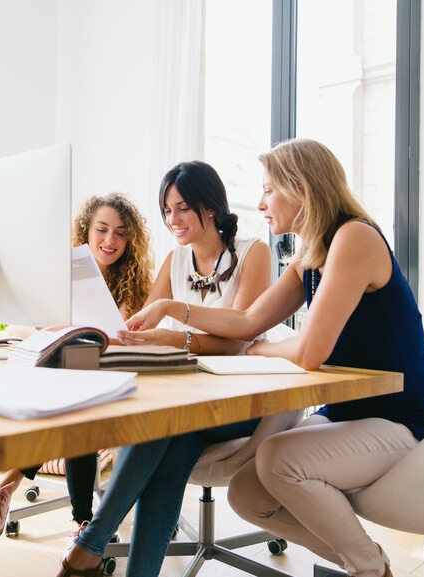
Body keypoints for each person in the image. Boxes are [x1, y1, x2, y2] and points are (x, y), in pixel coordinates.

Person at [122, 139, 424, 577]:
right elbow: (246, 320)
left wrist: (261, 349)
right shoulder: (310, 255)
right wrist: (169, 309)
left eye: (268, 189)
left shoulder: (354, 237)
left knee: (278, 460)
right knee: (248, 493)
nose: (260, 203)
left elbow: (309, 352)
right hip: (350, 413)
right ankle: (369, 560)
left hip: (408, 416)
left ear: (302, 188)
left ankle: (367, 569)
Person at [57, 160, 271, 577]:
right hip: (193, 401)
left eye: (182, 208)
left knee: (163, 426)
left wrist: (173, 331)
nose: (173, 219)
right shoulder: (177, 259)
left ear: (210, 206)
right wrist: (105, 330)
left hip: (243, 398)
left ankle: (91, 542)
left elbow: (237, 340)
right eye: (167, 210)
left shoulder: (252, 252)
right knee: (167, 435)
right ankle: (112, 556)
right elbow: (140, 325)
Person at [0, 192, 154, 543]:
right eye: (102, 230)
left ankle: (7, 486)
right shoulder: (59, 275)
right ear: (86, 230)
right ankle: (84, 522)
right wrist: (48, 330)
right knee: (71, 392)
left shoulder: (138, 284)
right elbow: (15, 329)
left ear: (131, 240)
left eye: (120, 233)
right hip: (65, 385)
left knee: (76, 396)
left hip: (112, 386)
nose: (110, 240)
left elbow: (123, 339)